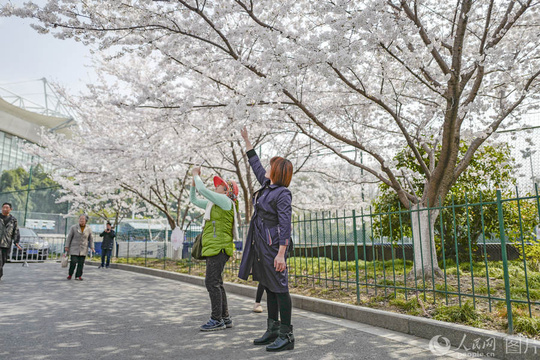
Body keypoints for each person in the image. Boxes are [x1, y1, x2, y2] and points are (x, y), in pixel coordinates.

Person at [238, 127, 295, 352]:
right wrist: (247, 140)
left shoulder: (282, 194)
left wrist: (281, 252)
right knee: (270, 287)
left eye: (272, 167)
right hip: (261, 244)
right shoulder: (266, 185)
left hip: (273, 247)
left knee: (280, 287)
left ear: (278, 172)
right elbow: (255, 165)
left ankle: (287, 335)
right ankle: (272, 330)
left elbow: (285, 224)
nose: (268, 168)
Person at [190, 166, 240, 331]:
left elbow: (202, 190)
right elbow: (195, 200)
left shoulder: (225, 201)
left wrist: (196, 175)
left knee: (211, 282)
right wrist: (192, 185)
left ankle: (216, 319)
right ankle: (225, 318)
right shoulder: (215, 205)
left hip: (218, 247)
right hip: (216, 247)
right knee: (216, 282)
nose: (215, 186)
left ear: (226, 190)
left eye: (219, 185)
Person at [65, 214, 94, 280]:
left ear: (86, 221)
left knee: (81, 263)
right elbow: (69, 237)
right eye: (80, 219)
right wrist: (67, 246)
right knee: (73, 262)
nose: (81, 221)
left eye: (83, 219)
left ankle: (78, 276)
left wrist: (92, 247)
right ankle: (70, 274)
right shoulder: (73, 227)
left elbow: (91, 238)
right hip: (74, 248)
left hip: (83, 248)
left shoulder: (88, 228)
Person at [0, 203, 22, 281]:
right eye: (4, 207)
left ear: (10, 209)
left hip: (6, 244)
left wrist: (16, 242)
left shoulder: (13, 220)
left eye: (7, 207)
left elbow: (16, 231)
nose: (5, 209)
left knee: (2, 260)